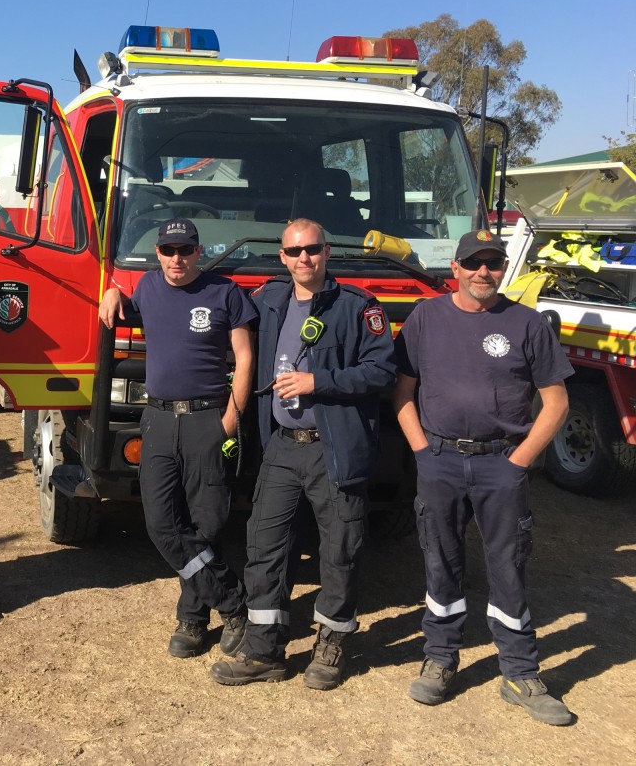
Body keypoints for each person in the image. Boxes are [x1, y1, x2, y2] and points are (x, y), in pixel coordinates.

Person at [393, 229, 574, 725]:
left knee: (508, 565)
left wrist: (520, 461)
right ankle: (441, 658)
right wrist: (423, 452)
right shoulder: (425, 318)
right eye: (474, 263)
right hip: (440, 461)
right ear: (455, 267)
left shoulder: (527, 323)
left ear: (502, 269)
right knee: (441, 561)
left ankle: (519, 672)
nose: (483, 272)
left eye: (493, 263)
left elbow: (556, 403)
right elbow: (402, 394)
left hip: (502, 463)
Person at [210, 219, 395, 689]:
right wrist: (125, 300)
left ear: (327, 251)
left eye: (312, 249)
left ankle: (331, 645)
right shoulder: (269, 300)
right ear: (282, 257)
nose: (304, 259)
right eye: (294, 252)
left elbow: (382, 372)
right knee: (264, 546)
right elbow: (212, 304)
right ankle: (264, 649)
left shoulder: (358, 307)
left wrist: (320, 382)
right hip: (281, 448)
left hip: (333, 450)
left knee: (340, 550)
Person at [100, 218, 253, 660]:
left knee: (205, 524)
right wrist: (112, 294)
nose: (176, 259)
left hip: (208, 419)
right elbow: (122, 304)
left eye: (184, 250)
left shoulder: (226, 294)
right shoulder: (147, 288)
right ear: (159, 254)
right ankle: (234, 603)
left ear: (198, 251)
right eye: (167, 250)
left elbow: (244, 360)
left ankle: (192, 618)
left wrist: (229, 422)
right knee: (162, 523)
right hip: (159, 421)